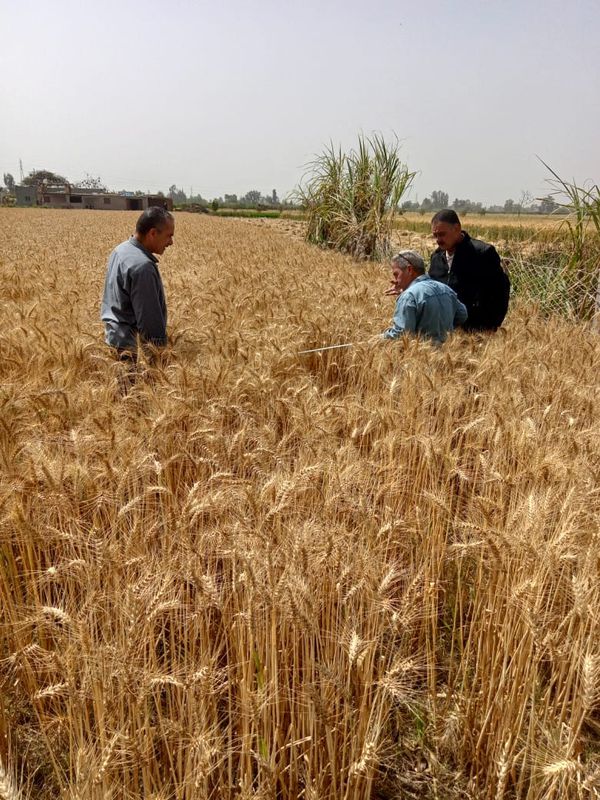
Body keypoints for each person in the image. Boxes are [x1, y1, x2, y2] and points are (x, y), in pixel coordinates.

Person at [101, 206, 174, 357]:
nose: (171, 242)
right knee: (131, 381)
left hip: (114, 340)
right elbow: (150, 321)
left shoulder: (119, 250)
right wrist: (158, 357)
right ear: (153, 233)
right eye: (169, 236)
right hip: (130, 350)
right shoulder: (143, 267)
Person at [429, 209, 510, 331]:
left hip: (476, 330)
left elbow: (500, 293)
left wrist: (489, 326)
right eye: (435, 235)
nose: (438, 240)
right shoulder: (436, 258)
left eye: (442, 234)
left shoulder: (482, 254)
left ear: (457, 228)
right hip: (444, 331)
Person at [381, 250, 467, 345]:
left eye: (396, 274)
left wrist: (377, 338)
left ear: (409, 270)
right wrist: (444, 329)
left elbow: (402, 334)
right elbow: (462, 315)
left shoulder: (409, 296)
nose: (395, 280)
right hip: (448, 353)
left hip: (419, 355)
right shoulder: (446, 289)